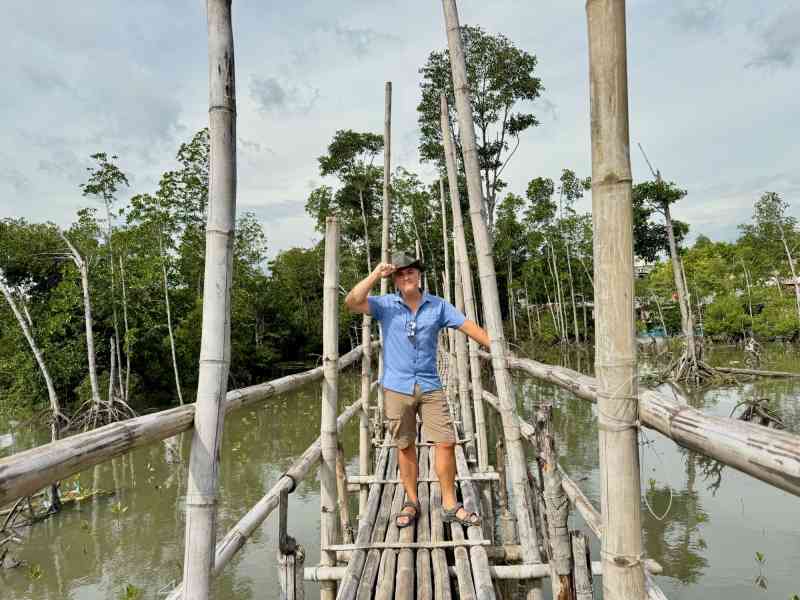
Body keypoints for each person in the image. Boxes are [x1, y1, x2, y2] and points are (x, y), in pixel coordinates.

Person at [345, 251, 490, 528]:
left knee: (446, 441)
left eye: (410, 271)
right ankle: (412, 501)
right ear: (395, 280)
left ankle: (449, 503)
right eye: (400, 273)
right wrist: (376, 274)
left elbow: (468, 326)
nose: (406, 276)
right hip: (396, 387)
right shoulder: (385, 305)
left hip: (430, 384)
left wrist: (496, 348)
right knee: (405, 444)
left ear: (419, 274)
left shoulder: (438, 306)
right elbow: (352, 302)